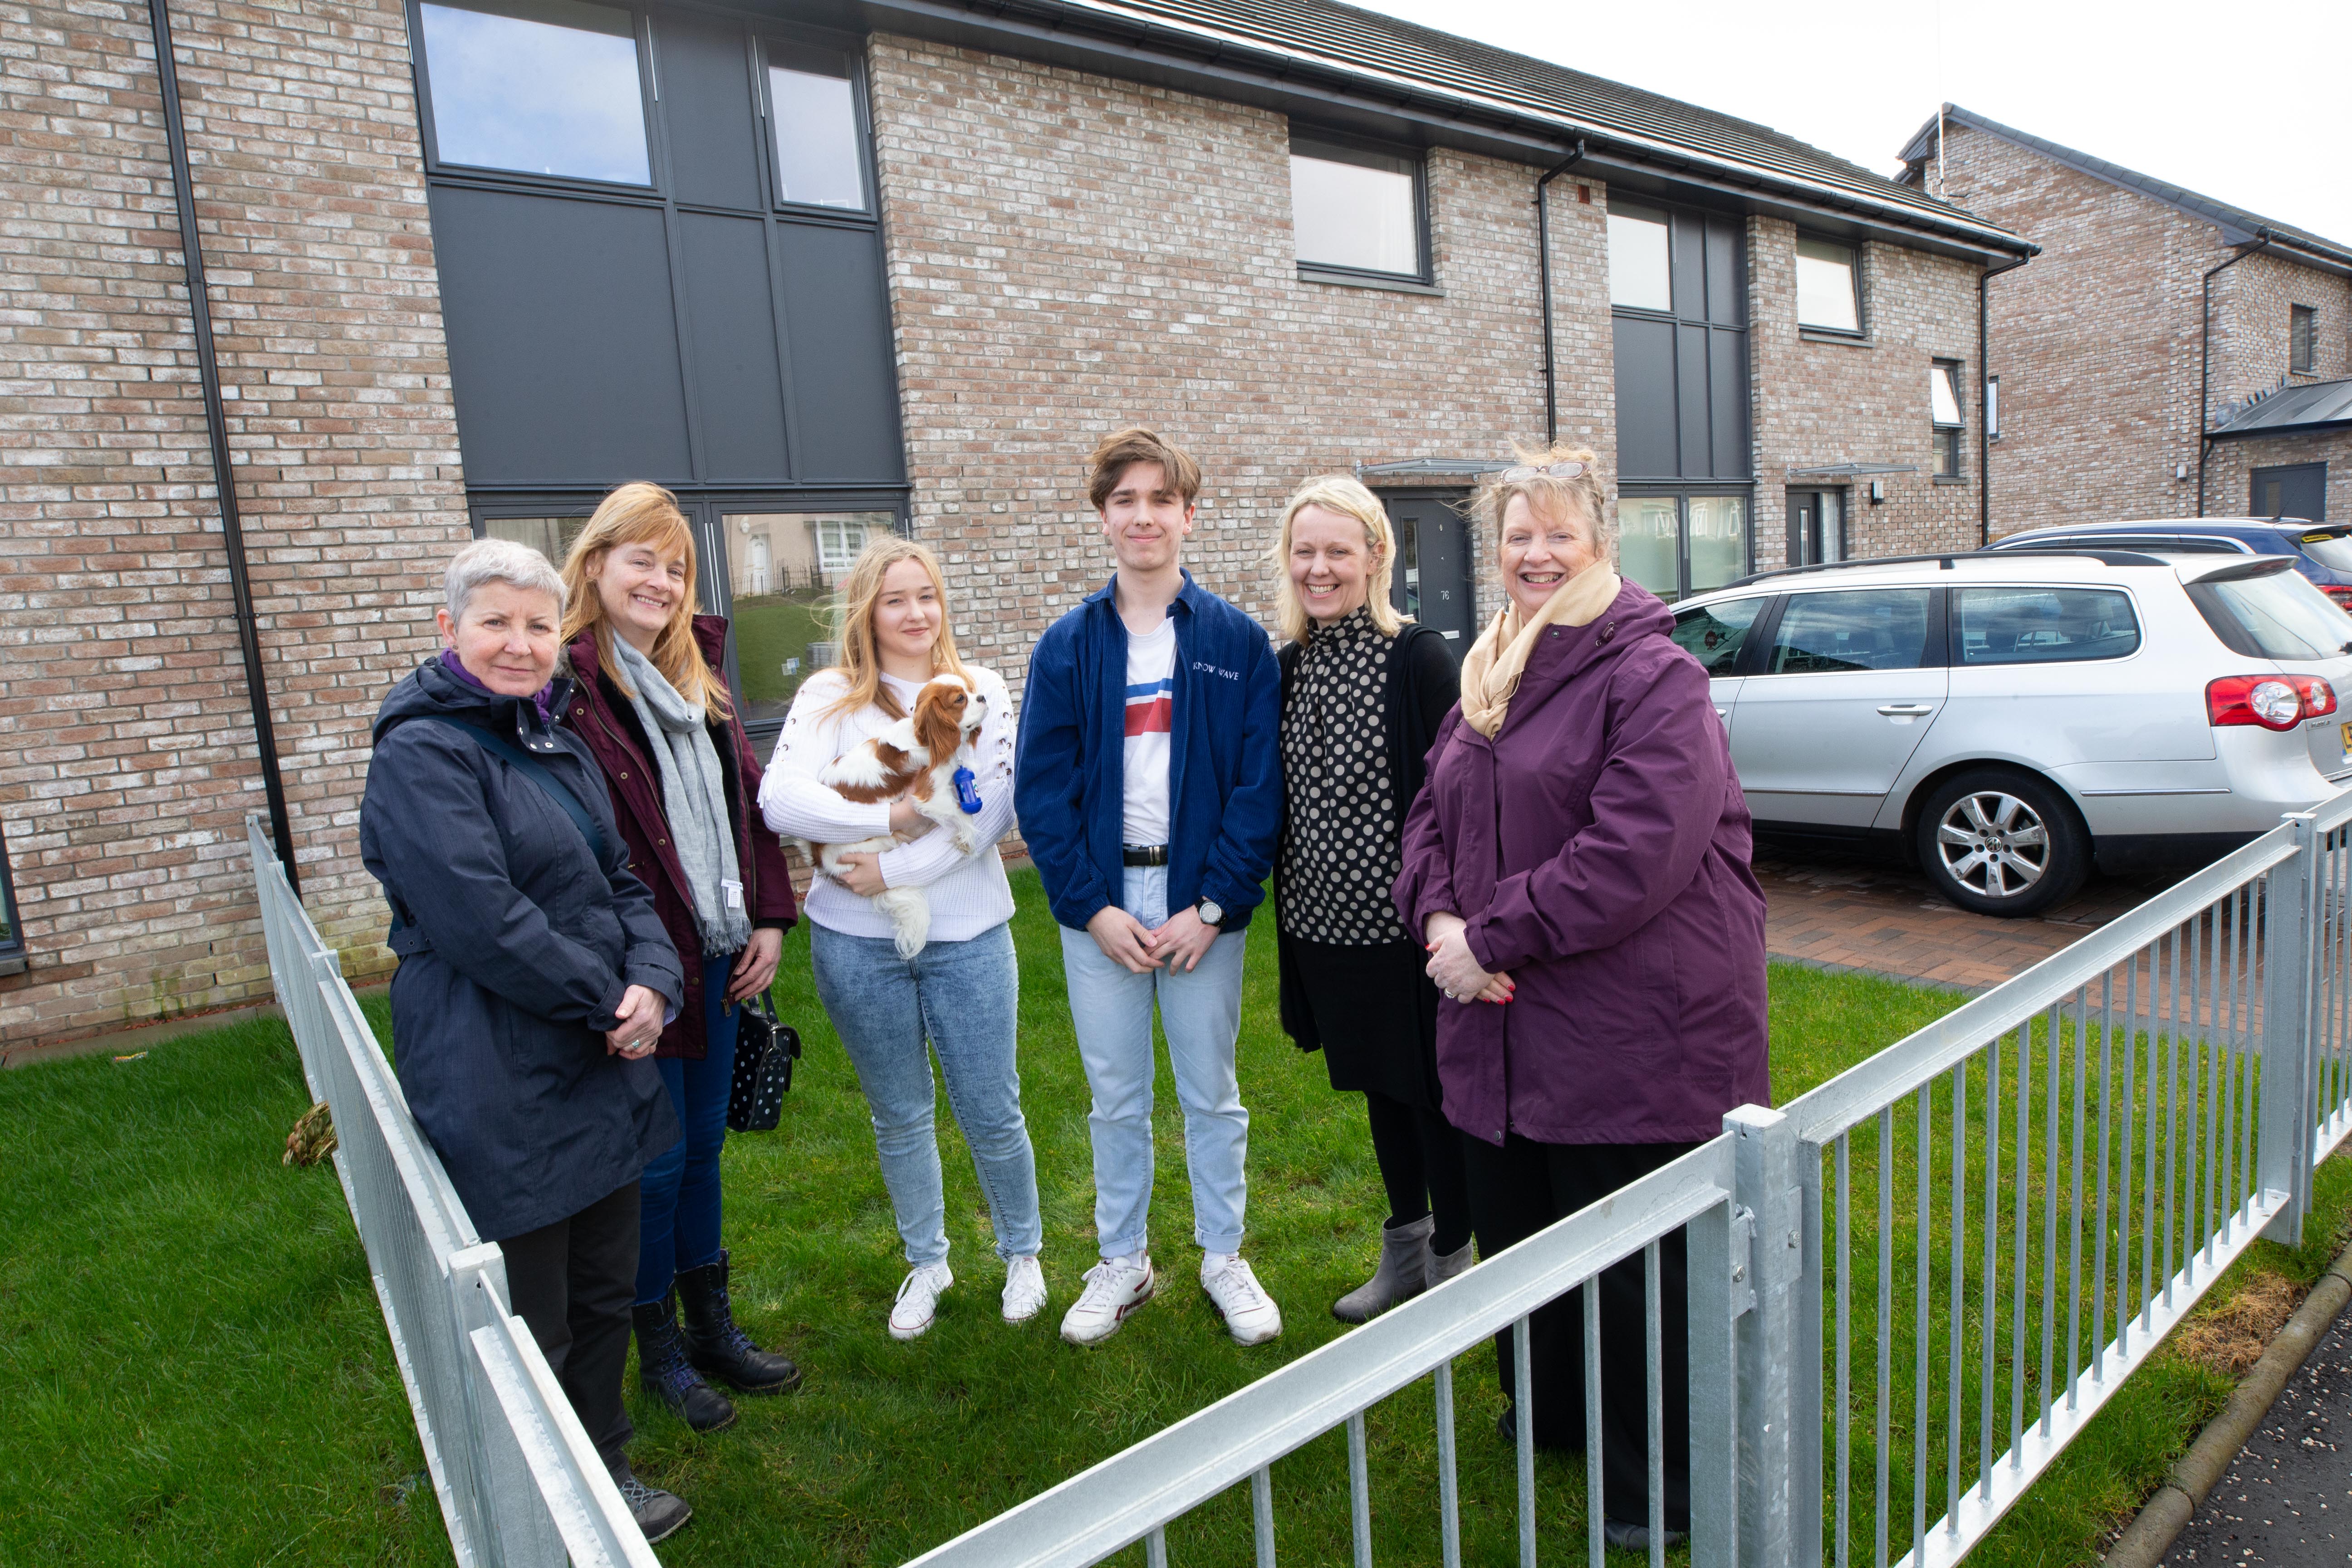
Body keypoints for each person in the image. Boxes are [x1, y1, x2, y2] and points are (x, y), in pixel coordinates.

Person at [1392, 445, 1769, 1551]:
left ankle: (1656, 1484)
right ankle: (1554, 1415)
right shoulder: (1488, 675)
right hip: (1502, 1015)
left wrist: (1488, 937)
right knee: (1524, 1234)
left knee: (1633, 1266)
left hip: (1635, 1028)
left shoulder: (1655, 677)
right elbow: (1431, 819)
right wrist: (1443, 923)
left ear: (1601, 543)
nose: (1536, 553)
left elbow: (1636, 852)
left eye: (1559, 532)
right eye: (1518, 535)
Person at [360, 538, 693, 1544]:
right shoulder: (423, 754)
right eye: (495, 622)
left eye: (538, 625)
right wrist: (613, 999)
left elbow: (623, 879)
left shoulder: (553, 739)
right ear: (449, 629)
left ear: (561, 635)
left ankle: (606, 1467)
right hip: (500, 1067)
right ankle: (539, 1511)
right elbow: (483, 921)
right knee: (533, 1314)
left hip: (599, 1060)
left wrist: (657, 985)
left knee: (603, 1292)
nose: (519, 643)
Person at [1015, 426, 1285, 1348]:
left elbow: (1259, 788)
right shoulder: (1067, 646)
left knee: (1210, 1091)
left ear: (1187, 516)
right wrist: (1090, 909)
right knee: (1115, 1095)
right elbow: (1041, 795)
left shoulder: (1236, 642)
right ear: (1103, 518)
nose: (1143, 515)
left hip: (1200, 906)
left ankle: (1223, 1255)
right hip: (1103, 909)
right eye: (1124, 499)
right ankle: (1123, 1261)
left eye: (1160, 499)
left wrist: (1214, 906)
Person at [555, 483, 802, 1435]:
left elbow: (750, 808)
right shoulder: (572, 687)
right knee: (652, 1168)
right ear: (595, 565)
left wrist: (771, 923)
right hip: (643, 975)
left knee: (702, 1155)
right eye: (641, 561)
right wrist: (632, 974)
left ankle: (711, 1329)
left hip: (721, 956)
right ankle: (653, 1350)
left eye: (674, 566)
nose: (659, 582)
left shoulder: (698, 678)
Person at [758, 536, 1042, 1340]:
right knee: (900, 1113)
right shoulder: (827, 697)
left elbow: (991, 808)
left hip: (970, 933)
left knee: (992, 1107)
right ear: (867, 613)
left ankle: (1024, 1253)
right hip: (854, 943)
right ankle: (929, 1261)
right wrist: (885, 819)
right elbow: (782, 801)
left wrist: (897, 870)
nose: (915, 613)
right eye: (895, 600)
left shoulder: (980, 689)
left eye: (927, 596)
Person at [1268, 476, 1473, 1322]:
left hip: (1406, 936)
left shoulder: (1418, 657)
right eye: (1305, 552)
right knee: (1380, 1093)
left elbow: (1459, 800)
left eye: (1338, 553)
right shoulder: (1287, 666)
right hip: (1321, 932)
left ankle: (1455, 1261)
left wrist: (1451, 918)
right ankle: (1403, 1252)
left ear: (1376, 557)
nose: (1321, 570)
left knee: (1430, 1096)